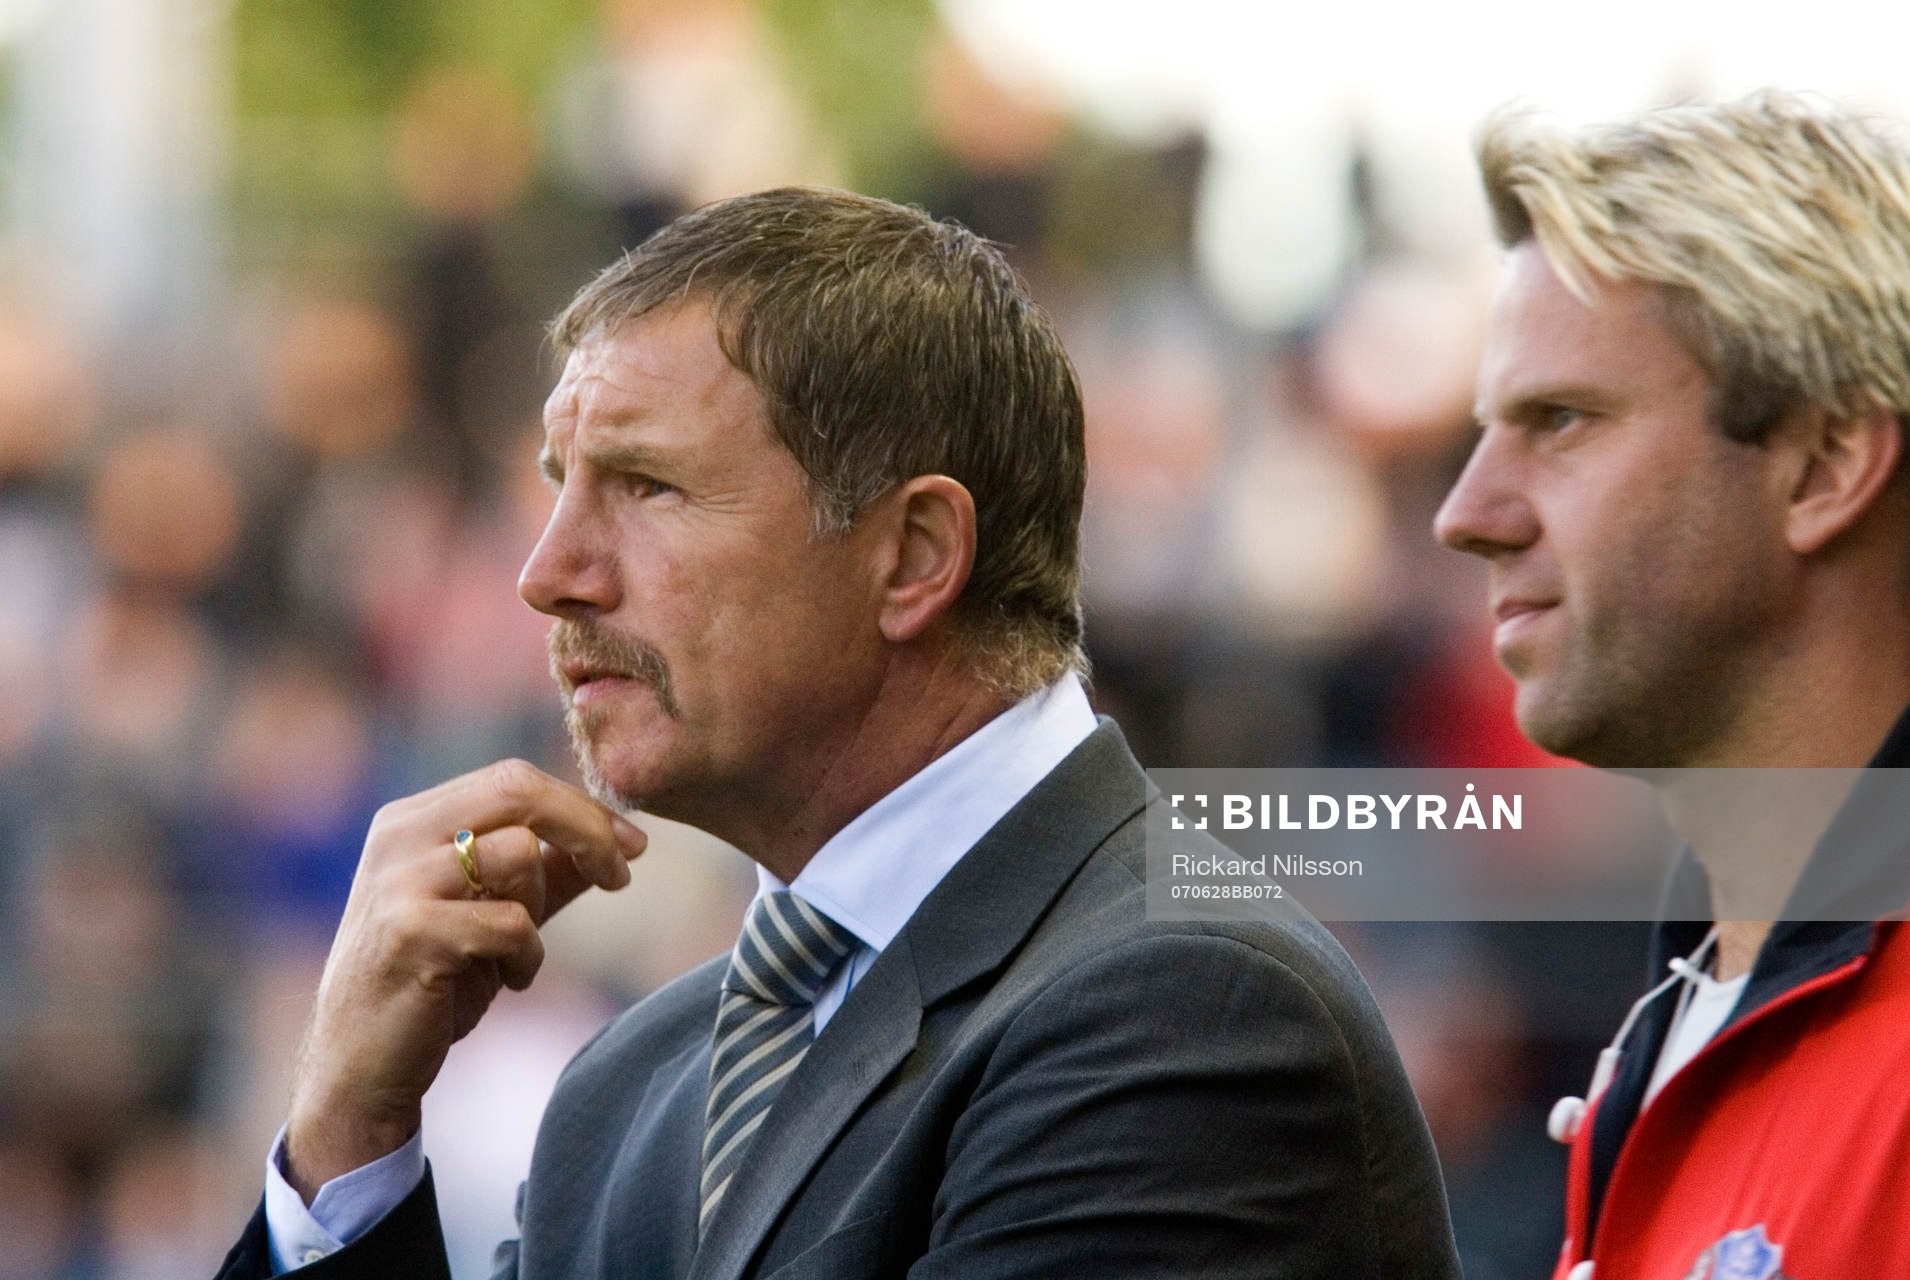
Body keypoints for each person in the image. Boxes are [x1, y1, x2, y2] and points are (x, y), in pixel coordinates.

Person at [218, 188, 1459, 1279]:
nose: (549, 574)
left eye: (644, 486)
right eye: (559, 485)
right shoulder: (634, 1079)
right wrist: (345, 1141)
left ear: (912, 554)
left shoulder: (1182, 1009)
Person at [1436, 92, 1910, 1279]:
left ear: (1823, 464)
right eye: (1486, 427)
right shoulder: (1685, 1003)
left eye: (1559, 420)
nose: (1467, 513)